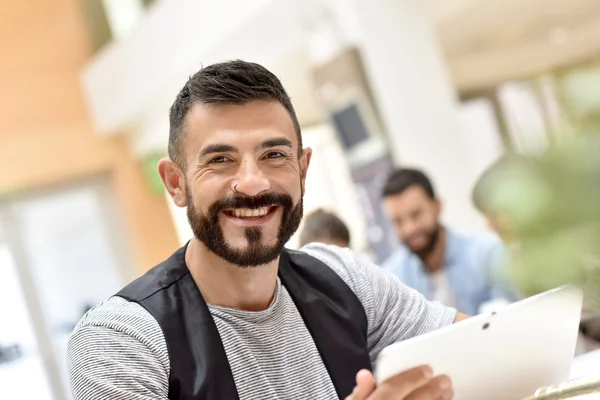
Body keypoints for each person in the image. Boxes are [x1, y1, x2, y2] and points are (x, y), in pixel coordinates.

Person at [67, 60, 467, 400]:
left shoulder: (344, 278)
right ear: (176, 183)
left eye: (274, 155)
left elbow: (483, 347)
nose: (254, 183)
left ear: (303, 169)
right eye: (221, 159)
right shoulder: (122, 339)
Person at [381, 168, 516, 315]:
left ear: (437, 206)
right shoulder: (392, 279)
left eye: (416, 215)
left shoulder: (487, 254)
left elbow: (507, 318)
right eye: (397, 221)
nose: (409, 229)